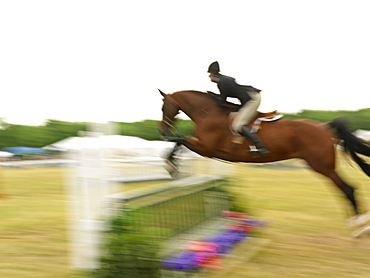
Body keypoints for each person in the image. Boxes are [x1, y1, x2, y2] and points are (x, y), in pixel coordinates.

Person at [207, 61, 270, 156]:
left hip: (252, 99)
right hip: (249, 97)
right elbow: (224, 98)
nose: (209, 77)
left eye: (209, 74)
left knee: (238, 125)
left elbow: (222, 103)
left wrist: (214, 98)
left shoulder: (221, 82)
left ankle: (261, 147)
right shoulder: (223, 80)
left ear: (212, 74)